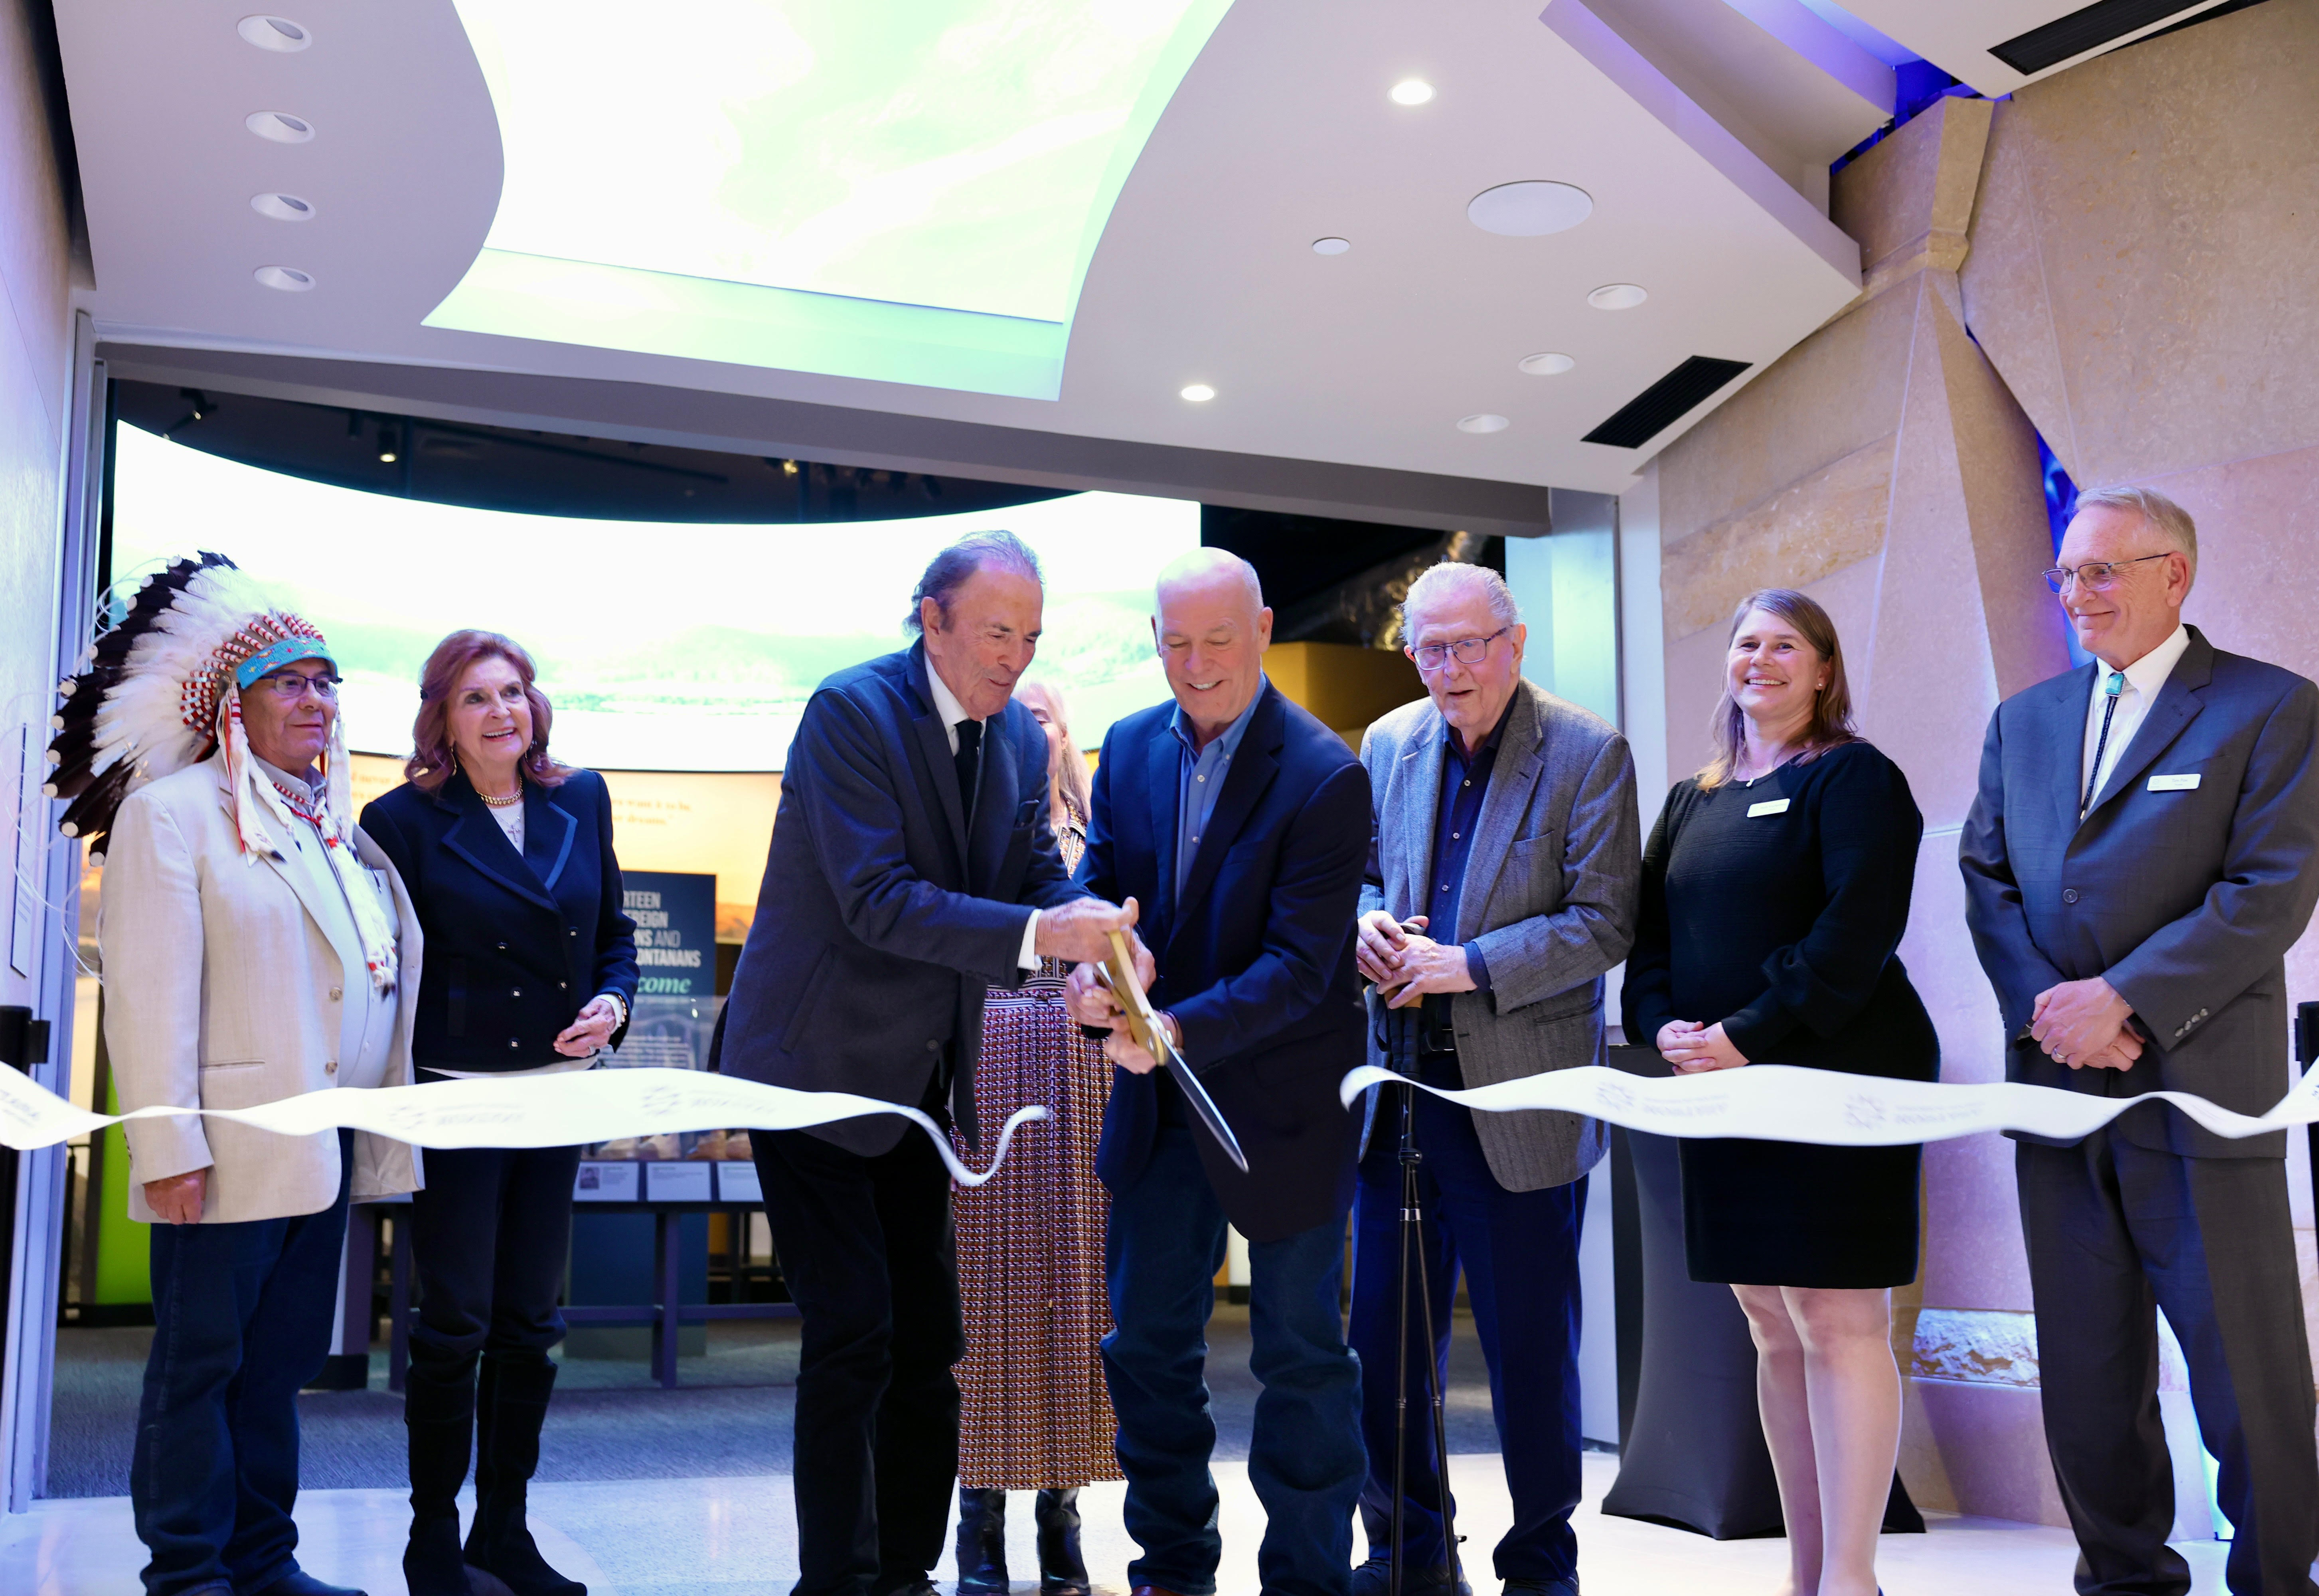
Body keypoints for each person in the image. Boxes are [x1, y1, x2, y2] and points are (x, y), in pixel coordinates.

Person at [719, 530, 1147, 1596]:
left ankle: (904, 1572)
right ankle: (837, 1581)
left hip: (913, 1087)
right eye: (996, 630)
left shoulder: (1008, 742)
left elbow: (1035, 874)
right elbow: (877, 900)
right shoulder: (850, 713)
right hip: (809, 1069)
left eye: (1031, 636)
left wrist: (1094, 940)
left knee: (928, 1339)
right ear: (932, 619)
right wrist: (1042, 939)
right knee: (854, 1330)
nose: (1013, 654)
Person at [1960, 486, 2319, 1596]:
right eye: (2066, 575)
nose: (2078, 595)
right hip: (2058, 1093)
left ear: (2176, 575)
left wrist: (2120, 997)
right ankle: (2121, 1581)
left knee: (2243, 1373)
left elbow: (2267, 891)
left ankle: (2274, 1582)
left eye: (2103, 572)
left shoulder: (2268, 708)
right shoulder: (2022, 720)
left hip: (2198, 1089)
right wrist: (2048, 1008)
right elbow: (1987, 882)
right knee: (2085, 1370)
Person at [50, 554, 421, 1596]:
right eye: (292, 684)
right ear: (233, 709)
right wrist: (167, 1148)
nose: (319, 702)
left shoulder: (331, 826)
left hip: (322, 1154)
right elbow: (149, 1000)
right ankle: (188, 1575)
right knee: (201, 1368)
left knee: (276, 1374)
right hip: (225, 1154)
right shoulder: (173, 814)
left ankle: (264, 1565)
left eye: (327, 683)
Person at [1066, 547, 1373, 1596]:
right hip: (1156, 1111)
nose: (1195, 667)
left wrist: (1173, 1028)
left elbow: (1299, 971)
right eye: (1175, 644)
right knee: (1146, 1350)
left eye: (1216, 641)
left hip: (1284, 1110)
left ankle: (1304, 1580)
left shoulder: (1326, 773)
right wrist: (1089, 976)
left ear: (1262, 630)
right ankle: (1174, 1568)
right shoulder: (1130, 750)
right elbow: (1100, 889)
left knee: (1299, 1358)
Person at [1622, 588, 1935, 1596]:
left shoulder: (1853, 777)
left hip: (1837, 1077)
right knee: (1767, 1315)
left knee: (1839, 1315)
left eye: (1784, 645)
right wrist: (1661, 1026)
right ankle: (1805, 1573)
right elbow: (1649, 944)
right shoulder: (1691, 797)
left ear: (1822, 670)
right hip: (1721, 1088)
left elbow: (1853, 935)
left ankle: (1851, 1577)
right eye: (1745, 643)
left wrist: (1744, 1034)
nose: (1760, 659)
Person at [1350, 562, 1639, 1596]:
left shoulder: (1586, 750)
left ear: (1513, 644)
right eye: (1429, 648)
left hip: (1522, 1102)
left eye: (1467, 645)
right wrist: (1368, 924)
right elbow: (1367, 873)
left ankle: (1539, 1566)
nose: (1448, 668)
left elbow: (1604, 921)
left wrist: (1466, 967)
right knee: (1383, 1348)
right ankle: (1408, 1557)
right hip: (1397, 1097)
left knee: (1526, 1357)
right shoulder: (1387, 742)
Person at [360, 632, 639, 1596]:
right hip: (458, 1095)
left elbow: (615, 935)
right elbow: (387, 968)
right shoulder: (398, 819)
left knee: (531, 1318)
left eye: (513, 692)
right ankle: (431, 1535)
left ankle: (503, 1529)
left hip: (555, 1099)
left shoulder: (581, 797)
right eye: (476, 696)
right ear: (442, 715)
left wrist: (614, 1004)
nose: (500, 712)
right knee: (454, 1322)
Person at [950, 679, 1119, 1596]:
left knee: (1080, 1293)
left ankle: (1063, 1508)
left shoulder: (1100, 838)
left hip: (1087, 1074)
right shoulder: (978, 828)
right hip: (989, 1062)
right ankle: (976, 1514)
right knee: (986, 1298)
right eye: (1026, 715)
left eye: (1049, 715)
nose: (1037, 729)